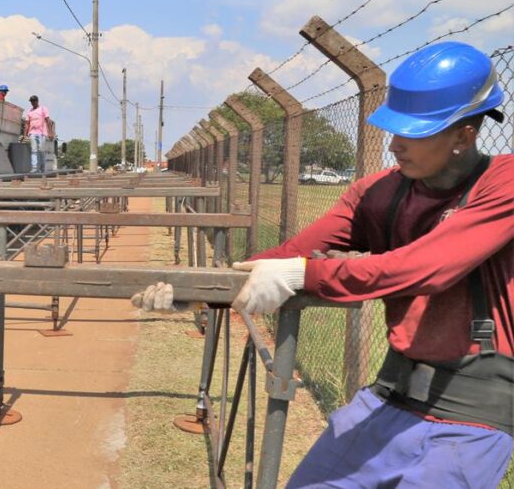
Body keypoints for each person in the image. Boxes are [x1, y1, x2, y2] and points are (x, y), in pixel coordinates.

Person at [133, 41, 512, 487]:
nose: (394, 144)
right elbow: (284, 256)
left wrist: (303, 274)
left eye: (412, 132)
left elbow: (427, 268)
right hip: (391, 393)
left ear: (464, 135)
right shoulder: (379, 192)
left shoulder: (502, 183)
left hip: (471, 415)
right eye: (394, 129)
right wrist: (195, 290)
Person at [24, 95, 53, 172]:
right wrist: (25, 134)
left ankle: (42, 167)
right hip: (32, 133)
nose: (32, 103)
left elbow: (48, 121)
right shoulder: (29, 112)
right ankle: (34, 167)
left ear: (37, 101)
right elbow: (27, 123)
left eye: (34, 101)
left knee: (41, 150)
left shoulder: (43, 109)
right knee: (34, 150)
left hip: (42, 133)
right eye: (31, 101)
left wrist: (50, 132)